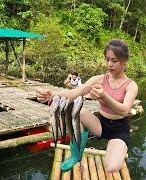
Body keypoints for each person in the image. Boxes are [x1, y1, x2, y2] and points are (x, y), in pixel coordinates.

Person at [36, 39, 138, 173]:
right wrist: (52, 94)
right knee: (73, 108)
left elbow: (125, 111)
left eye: (114, 61)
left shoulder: (131, 85)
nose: (109, 64)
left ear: (124, 61)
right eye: (107, 59)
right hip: (101, 124)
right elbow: (77, 92)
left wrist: (104, 97)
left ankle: (116, 147)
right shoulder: (100, 79)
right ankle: (77, 152)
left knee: (111, 167)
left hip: (119, 129)